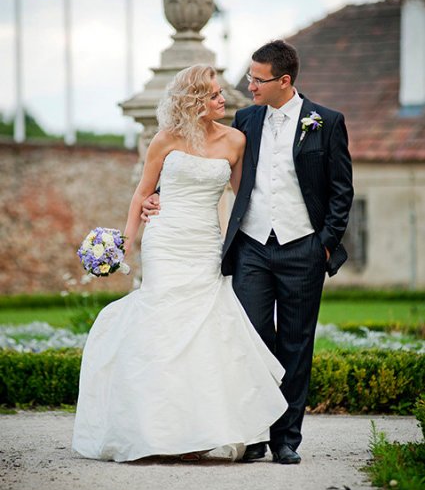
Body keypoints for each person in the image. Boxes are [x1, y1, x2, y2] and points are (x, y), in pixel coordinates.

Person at [143, 41, 353, 465]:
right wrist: (158, 195)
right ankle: (253, 433)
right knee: (249, 340)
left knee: (296, 345)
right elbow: (202, 161)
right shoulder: (246, 120)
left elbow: (341, 190)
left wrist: (324, 244)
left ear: (284, 81)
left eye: (257, 80)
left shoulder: (326, 122)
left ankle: (285, 439)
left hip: (303, 248)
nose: (249, 86)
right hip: (252, 248)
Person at [72, 64, 288, 463]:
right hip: (166, 241)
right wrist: (125, 244)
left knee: (203, 332)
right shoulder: (165, 139)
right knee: (163, 327)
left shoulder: (235, 141)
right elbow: (142, 194)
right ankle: (157, 431)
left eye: (220, 93)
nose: (223, 99)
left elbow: (244, 198)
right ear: (195, 101)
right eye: (215, 95)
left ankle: (199, 433)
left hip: (205, 244)